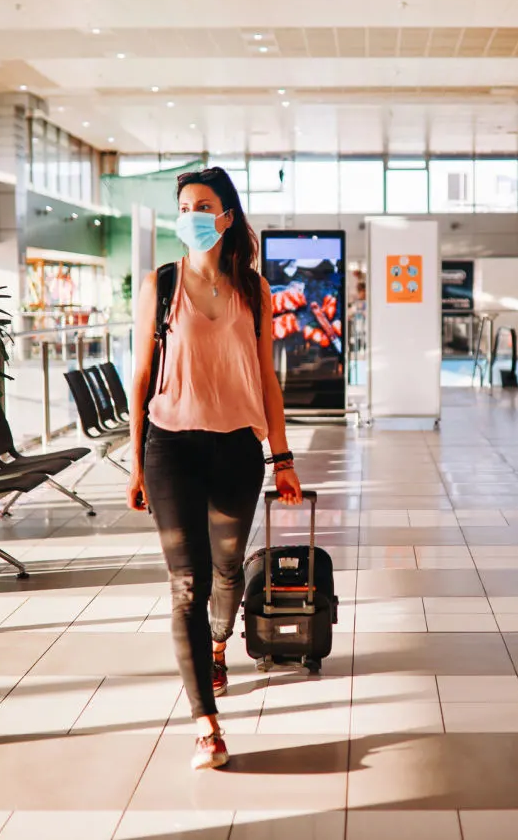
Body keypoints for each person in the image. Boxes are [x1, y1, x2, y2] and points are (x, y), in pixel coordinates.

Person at [127, 167, 302, 771]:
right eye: (184, 205)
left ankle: (220, 643)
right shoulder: (160, 284)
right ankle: (207, 724)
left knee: (227, 568)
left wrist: (281, 456)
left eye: (204, 204)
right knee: (187, 584)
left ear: (228, 216)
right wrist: (134, 464)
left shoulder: (254, 291)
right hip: (169, 447)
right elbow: (142, 378)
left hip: (235, 450)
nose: (192, 214)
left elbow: (267, 378)